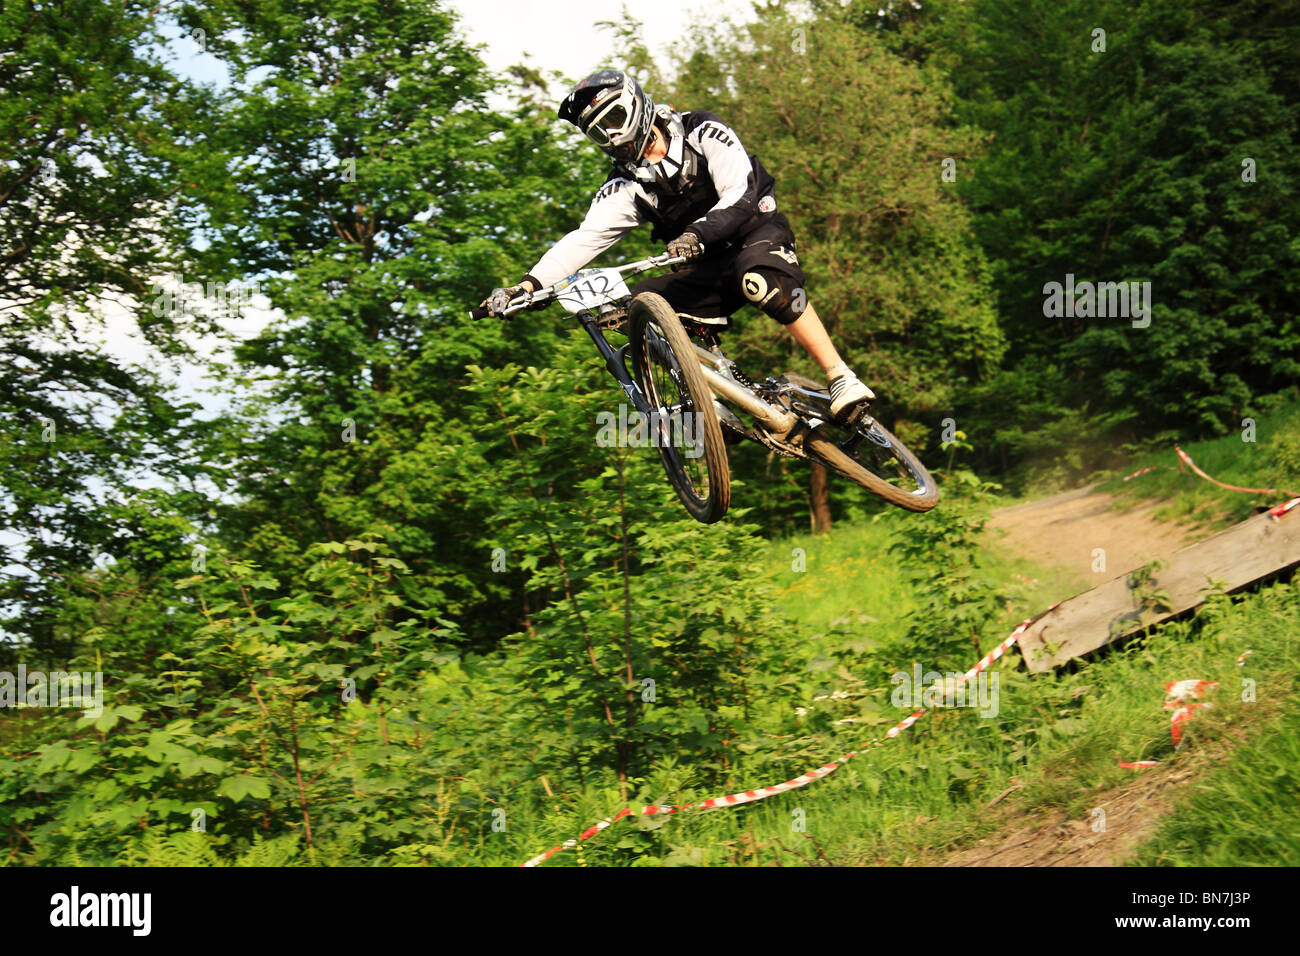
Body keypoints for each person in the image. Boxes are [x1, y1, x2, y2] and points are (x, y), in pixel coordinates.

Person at [479, 68, 874, 418]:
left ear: (636, 104)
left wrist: (696, 234)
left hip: (755, 233)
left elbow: (741, 192)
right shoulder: (626, 186)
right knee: (636, 312)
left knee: (759, 281)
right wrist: (526, 286)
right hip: (704, 266)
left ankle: (839, 375)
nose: (613, 135)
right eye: (600, 132)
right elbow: (584, 240)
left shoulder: (703, 130)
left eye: (614, 118)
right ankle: (715, 401)